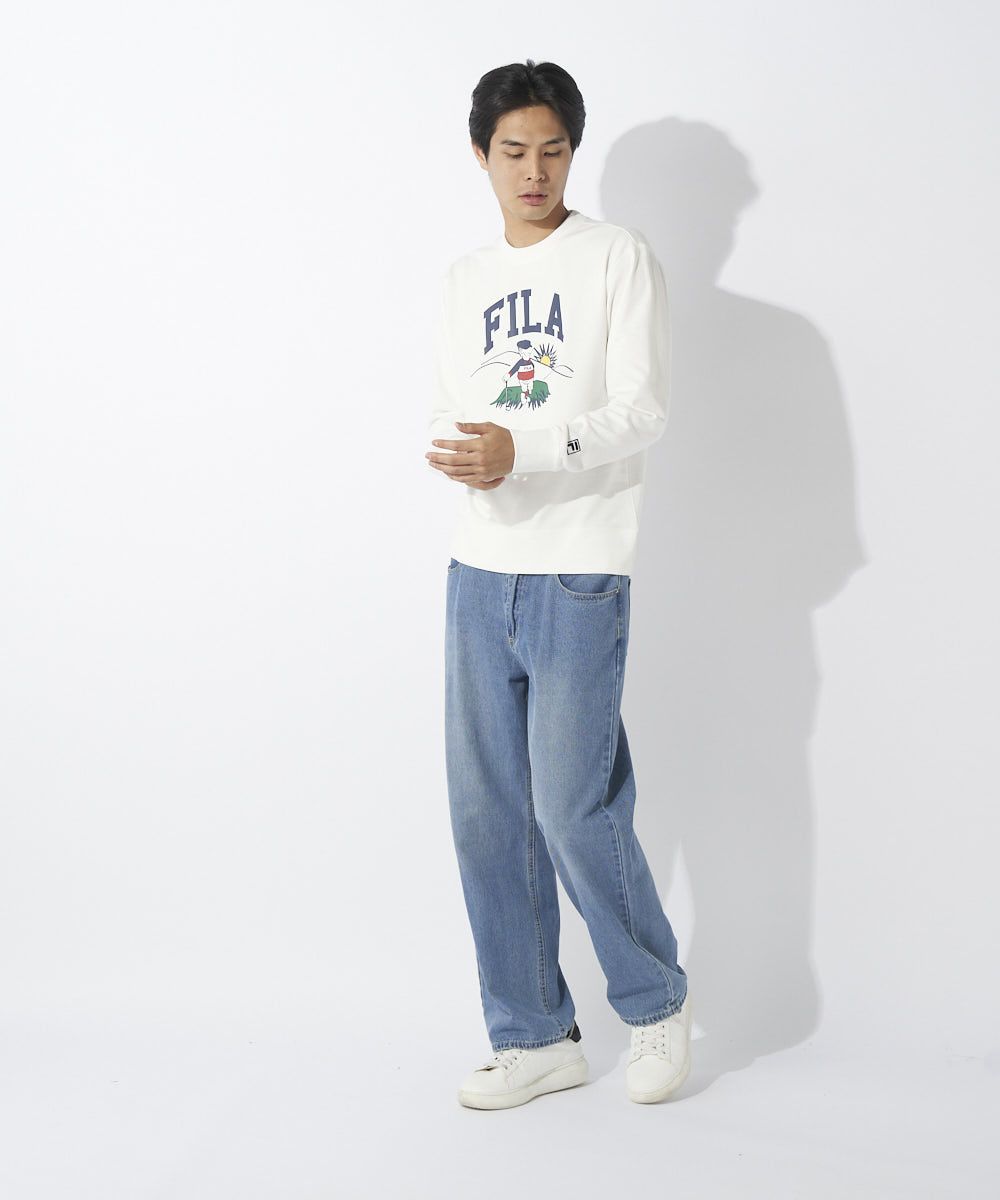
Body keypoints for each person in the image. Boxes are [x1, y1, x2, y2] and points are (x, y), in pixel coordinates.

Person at [426, 58, 691, 1110]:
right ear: (481, 155)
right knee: (487, 814)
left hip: (579, 565)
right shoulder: (462, 278)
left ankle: (657, 1004)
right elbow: (450, 407)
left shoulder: (618, 257)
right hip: (478, 568)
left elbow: (643, 408)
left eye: (552, 150)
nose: (533, 171)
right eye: (512, 152)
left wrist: (523, 450)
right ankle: (535, 1034)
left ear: (573, 152)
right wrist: (465, 455)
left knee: (573, 806)